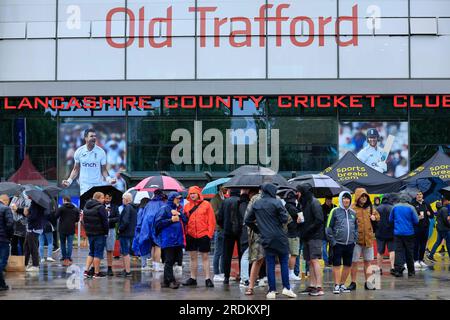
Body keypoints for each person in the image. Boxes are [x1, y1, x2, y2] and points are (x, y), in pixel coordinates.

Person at [245, 183, 296, 299]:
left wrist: (258, 230)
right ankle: (286, 288)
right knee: (283, 262)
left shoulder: (256, 203)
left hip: (265, 238)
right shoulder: (277, 202)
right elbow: (284, 219)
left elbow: (247, 220)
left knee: (270, 264)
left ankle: (271, 291)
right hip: (280, 237)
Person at [62, 128, 116, 196]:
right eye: (91, 136)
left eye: (95, 136)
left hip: (97, 185)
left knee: (97, 206)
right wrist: (69, 181)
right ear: (85, 138)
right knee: (86, 206)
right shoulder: (79, 152)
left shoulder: (101, 152)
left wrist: (109, 180)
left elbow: (104, 170)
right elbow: (76, 169)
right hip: (84, 186)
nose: (94, 138)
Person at [183, 186, 216, 288]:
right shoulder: (187, 206)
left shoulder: (206, 204)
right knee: (193, 257)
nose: (192, 195)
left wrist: (209, 234)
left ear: (198, 194)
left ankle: (207, 278)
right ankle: (193, 278)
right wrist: (186, 233)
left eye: (194, 193)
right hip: (191, 234)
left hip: (203, 234)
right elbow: (184, 222)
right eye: (190, 193)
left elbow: (212, 220)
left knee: (205, 257)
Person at [326, 191, 358, 294]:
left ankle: (342, 284)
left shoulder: (353, 213)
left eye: (348, 198)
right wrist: (333, 241)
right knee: (337, 264)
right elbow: (328, 228)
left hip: (350, 244)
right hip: (337, 243)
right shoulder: (334, 211)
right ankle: (336, 285)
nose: (346, 200)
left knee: (348, 265)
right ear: (340, 199)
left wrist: (354, 240)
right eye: (344, 198)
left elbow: (356, 228)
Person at [348, 188, 380, 291]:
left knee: (368, 262)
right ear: (357, 196)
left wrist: (375, 217)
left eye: (365, 196)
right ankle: (353, 283)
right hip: (356, 240)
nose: (364, 198)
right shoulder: (352, 208)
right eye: (362, 196)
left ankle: (369, 283)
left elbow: (378, 216)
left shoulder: (370, 207)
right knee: (354, 262)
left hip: (368, 239)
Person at [297, 183, 325, 297]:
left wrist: (307, 230)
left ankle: (319, 287)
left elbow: (319, 220)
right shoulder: (304, 203)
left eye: (298, 191)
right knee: (309, 261)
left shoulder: (314, 202)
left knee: (314, 260)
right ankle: (312, 285)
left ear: (303, 191)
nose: (296, 194)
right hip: (307, 236)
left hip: (315, 236)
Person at [155, 192, 187, 289]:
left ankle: (165, 281)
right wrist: (171, 220)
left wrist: (179, 214)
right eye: (177, 198)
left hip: (178, 239)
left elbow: (186, 220)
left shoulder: (179, 208)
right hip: (168, 239)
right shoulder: (164, 209)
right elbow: (158, 224)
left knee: (173, 261)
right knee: (169, 260)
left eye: (180, 198)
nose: (179, 200)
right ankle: (171, 281)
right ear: (172, 199)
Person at [217, 188, 243, 285]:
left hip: (227, 231)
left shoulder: (224, 202)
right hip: (240, 232)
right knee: (242, 255)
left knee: (226, 255)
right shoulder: (241, 201)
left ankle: (226, 277)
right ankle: (242, 275)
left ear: (230, 193)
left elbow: (219, 217)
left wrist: (224, 226)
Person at [389, 195, 419, 277]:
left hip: (398, 233)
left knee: (398, 252)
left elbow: (390, 219)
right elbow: (416, 220)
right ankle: (411, 272)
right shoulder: (411, 208)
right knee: (409, 252)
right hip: (409, 233)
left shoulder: (395, 207)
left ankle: (398, 271)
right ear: (408, 200)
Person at [82, 192, 109, 278]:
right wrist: (106, 232)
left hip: (90, 233)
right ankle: (96, 273)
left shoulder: (86, 206)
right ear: (98, 198)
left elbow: (83, 221)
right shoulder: (101, 207)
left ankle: (86, 271)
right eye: (102, 198)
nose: (104, 200)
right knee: (98, 253)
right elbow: (105, 222)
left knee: (91, 252)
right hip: (99, 233)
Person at [243, 189, 264, 295]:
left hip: (258, 234)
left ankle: (251, 286)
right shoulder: (276, 199)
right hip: (270, 234)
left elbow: (247, 219)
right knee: (264, 260)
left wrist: (254, 230)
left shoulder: (255, 199)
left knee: (257, 260)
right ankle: (272, 287)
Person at [139, 189, 166, 272]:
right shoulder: (162, 204)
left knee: (153, 246)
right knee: (158, 246)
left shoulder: (149, 204)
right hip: (157, 227)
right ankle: (157, 265)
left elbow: (143, 216)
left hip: (147, 228)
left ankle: (154, 265)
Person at [411, 191, 433, 270]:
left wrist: (429, 214)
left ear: (422, 195)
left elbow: (432, 215)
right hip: (416, 227)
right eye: (417, 194)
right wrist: (417, 217)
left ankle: (421, 260)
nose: (419, 195)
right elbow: (411, 217)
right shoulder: (413, 204)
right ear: (415, 196)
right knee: (416, 244)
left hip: (425, 227)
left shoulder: (426, 204)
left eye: (420, 194)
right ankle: (415, 260)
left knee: (423, 245)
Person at [23, 196, 47, 272]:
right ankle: (25, 264)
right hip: (35, 228)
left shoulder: (34, 203)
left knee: (33, 247)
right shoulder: (38, 203)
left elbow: (33, 216)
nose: (26, 196)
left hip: (33, 229)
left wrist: (27, 214)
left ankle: (35, 265)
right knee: (27, 247)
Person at [55, 196, 80, 266]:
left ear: (64, 200)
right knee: (69, 244)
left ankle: (64, 257)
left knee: (62, 243)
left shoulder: (61, 208)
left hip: (62, 228)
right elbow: (77, 220)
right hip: (71, 228)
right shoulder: (75, 209)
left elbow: (56, 216)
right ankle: (69, 257)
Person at [117, 193, 137, 277]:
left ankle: (127, 271)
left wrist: (120, 229)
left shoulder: (127, 208)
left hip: (125, 233)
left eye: (123, 199)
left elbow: (125, 221)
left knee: (125, 252)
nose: (122, 200)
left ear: (127, 199)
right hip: (130, 232)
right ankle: (126, 269)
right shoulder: (132, 208)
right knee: (126, 251)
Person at [375, 194, 396, 275]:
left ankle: (379, 268)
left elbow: (375, 220)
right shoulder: (392, 208)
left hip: (380, 233)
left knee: (380, 251)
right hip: (391, 232)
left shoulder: (378, 208)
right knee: (392, 250)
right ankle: (392, 267)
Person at [283, 190, 301, 281]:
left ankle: (288, 272)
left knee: (287, 255)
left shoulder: (285, 206)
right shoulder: (293, 208)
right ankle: (291, 273)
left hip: (286, 233)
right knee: (294, 254)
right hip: (293, 233)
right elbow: (301, 218)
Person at [211, 185, 226, 282]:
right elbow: (213, 213)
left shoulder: (223, 198)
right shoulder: (215, 199)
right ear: (220, 187)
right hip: (219, 228)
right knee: (218, 252)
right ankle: (216, 273)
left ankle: (222, 272)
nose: (227, 189)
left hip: (223, 228)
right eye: (225, 187)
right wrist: (224, 209)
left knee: (223, 252)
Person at [427, 197, 450, 262]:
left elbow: (436, 215)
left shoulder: (439, 210)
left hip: (439, 228)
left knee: (438, 242)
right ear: (445, 201)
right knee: (448, 243)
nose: (448, 201)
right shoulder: (445, 209)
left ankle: (430, 256)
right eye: (448, 200)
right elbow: (446, 220)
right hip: (445, 229)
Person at [132, 197, 151, 271]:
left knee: (144, 249)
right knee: (144, 249)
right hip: (142, 232)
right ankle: (144, 265)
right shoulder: (142, 211)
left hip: (141, 232)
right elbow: (139, 223)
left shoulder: (141, 210)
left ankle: (144, 265)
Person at [238, 189, 252, 287]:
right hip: (247, 233)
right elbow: (246, 219)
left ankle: (245, 278)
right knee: (246, 256)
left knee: (246, 255)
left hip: (243, 233)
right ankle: (245, 279)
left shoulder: (241, 204)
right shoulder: (245, 204)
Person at [104, 193, 120, 276]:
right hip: (101, 230)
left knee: (110, 249)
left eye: (109, 198)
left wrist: (109, 220)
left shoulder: (115, 207)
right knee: (98, 250)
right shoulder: (100, 206)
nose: (107, 200)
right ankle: (95, 268)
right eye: (106, 198)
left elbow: (118, 218)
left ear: (111, 198)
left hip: (111, 229)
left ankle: (109, 268)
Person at [0, 195, 14, 291]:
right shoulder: (6, 209)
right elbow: (10, 224)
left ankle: (2, 285)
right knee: (2, 262)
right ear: (6, 201)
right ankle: (2, 284)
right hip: (3, 239)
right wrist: (9, 236)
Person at [321, 196, 336, 266]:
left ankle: (331, 261)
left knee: (332, 247)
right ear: (325, 199)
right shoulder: (321, 207)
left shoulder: (334, 207)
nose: (329, 201)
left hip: (332, 231)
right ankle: (326, 261)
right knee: (323, 247)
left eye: (330, 200)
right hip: (323, 230)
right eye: (328, 200)